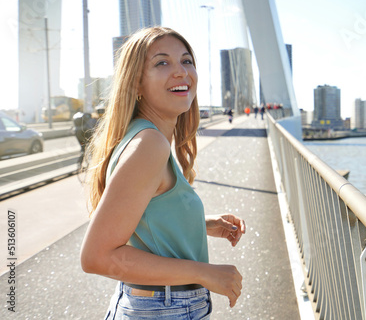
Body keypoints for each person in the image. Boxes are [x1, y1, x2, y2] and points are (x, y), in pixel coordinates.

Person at [80, 27, 246, 319]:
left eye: (186, 60)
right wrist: (206, 274)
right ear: (136, 85)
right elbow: (97, 257)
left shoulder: (143, 137)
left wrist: (201, 223)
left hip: (158, 305)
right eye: (162, 62)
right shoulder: (149, 145)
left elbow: (137, 217)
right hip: (163, 309)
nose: (181, 72)